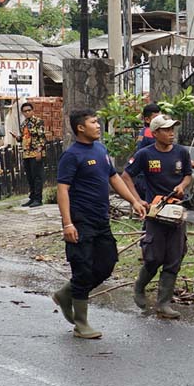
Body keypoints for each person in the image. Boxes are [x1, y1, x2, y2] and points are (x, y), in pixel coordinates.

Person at [50, 109, 147, 338]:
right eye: (93, 122)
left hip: (101, 220)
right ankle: (81, 323)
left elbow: (113, 178)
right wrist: (67, 224)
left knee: (107, 263)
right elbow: (62, 190)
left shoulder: (101, 150)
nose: (98, 126)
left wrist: (134, 200)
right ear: (80, 128)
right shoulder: (71, 156)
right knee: (82, 268)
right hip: (80, 221)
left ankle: (66, 293)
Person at [121, 114, 192, 318]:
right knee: (153, 257)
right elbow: (126, 176)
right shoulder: (144, 154)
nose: (171, 134)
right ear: (155, 133)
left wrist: (182, 185)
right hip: (155, 212)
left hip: (177, 210)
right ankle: (139, 287)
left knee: (174, 258)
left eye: (172, 129)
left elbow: (188, 174)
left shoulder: (181, 153)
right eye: (166, 130)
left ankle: (163, 303)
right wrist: (137, 200)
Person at [13, 101, 47, 207]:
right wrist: (17, 138)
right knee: (30, 177)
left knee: (37, 176)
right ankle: (32, 198)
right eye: (25, 111)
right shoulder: (23, 124)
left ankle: (38, 199)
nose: (27, 113)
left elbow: (42, 137)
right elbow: (24, 138)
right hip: (26, 153)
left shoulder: (38, 121)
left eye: (29, 110)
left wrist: (39, 151)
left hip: (35, 152)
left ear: (32, 111)